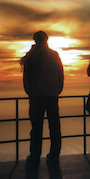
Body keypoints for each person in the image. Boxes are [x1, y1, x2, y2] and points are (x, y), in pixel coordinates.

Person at [20, 31, 64, 166]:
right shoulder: (54, 54)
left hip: (36, 96)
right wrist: (58, 89)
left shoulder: (31, 55)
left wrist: (29, 91)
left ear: (35, 40)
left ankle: (35, 154)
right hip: (51, 94)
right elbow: (60, 73)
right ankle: (54, 153)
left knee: (36, 127)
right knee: (54, 125)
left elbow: (26, 74)